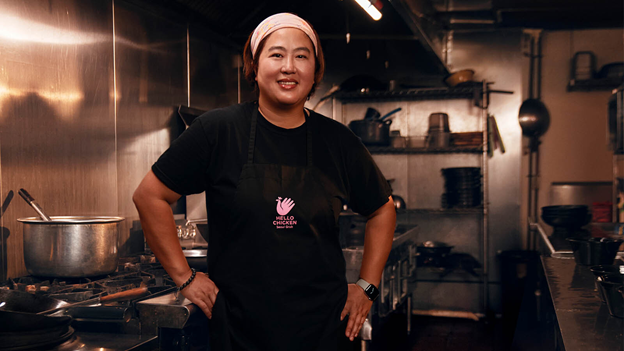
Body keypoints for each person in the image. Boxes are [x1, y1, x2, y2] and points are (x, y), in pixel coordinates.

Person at [133, 12, 396, 351]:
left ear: (315, 71)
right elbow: (150, 196)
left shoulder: (338, 141)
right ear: (254, 67)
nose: (289, 66)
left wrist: (367, 286)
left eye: (302, 56)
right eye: (276, 54)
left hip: (322, 328)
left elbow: (382, 209)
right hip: (239, 327)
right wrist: (185, 277)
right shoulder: (218, 130)